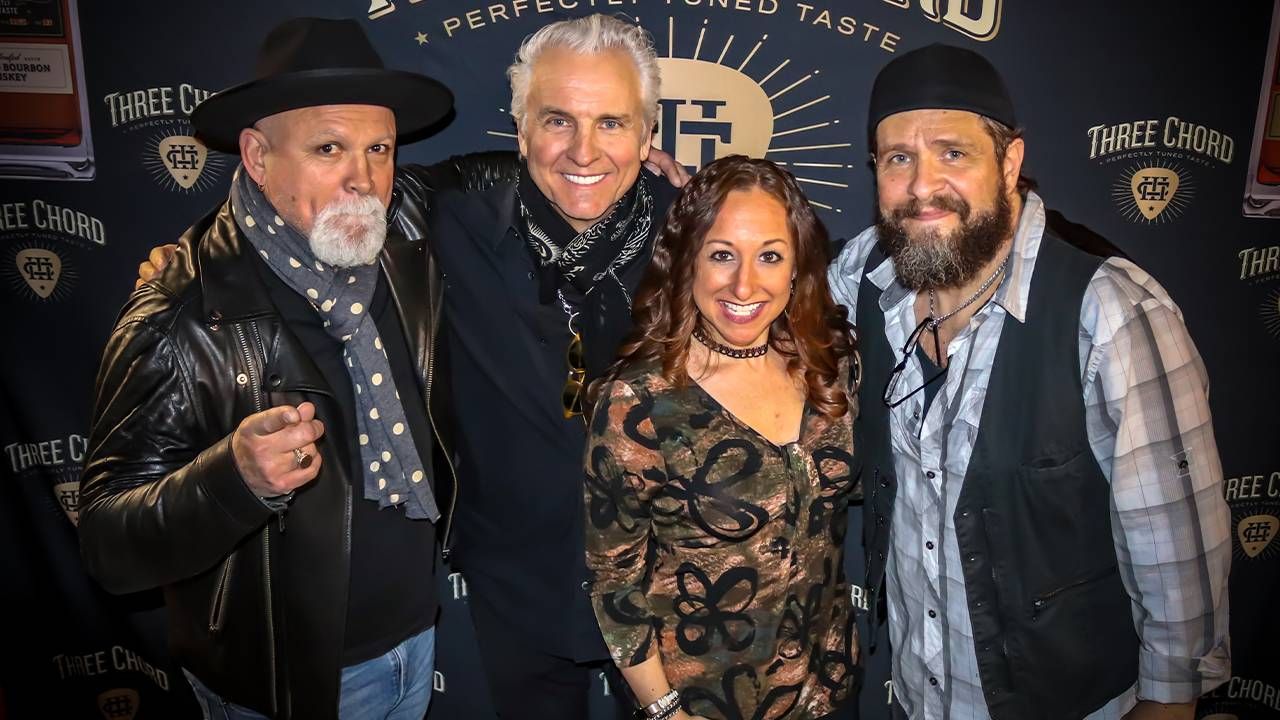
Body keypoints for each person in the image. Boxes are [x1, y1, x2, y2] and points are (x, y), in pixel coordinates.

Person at [78, 18, 501, 720]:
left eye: (379, 149)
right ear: (257, 155)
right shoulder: (181, 309)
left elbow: (508, 175)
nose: (362, 179)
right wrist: (231, 480)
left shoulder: (402, 235)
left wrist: (645, 171)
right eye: (328, 148)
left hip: (416, 644)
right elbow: (108, 545)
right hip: (283, 686)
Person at [827, 44, 1231, 720]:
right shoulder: (862, 276)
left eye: (953, 153)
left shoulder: (1111, 313)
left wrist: (1169, 703)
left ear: (1009, 162)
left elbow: (1176, 558)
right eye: (898, 158)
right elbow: (747, 287)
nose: (923, 185)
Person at [419, 15, 688, 720]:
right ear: (519, 129)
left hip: (670, 586)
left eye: (612, 123)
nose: (584, 150)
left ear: (648, 135)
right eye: (557, 120)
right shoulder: (454, 229)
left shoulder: (700, 242)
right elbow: (328, 193)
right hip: (519, 580)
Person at [584, 155, 860, 720]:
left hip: (828, 694)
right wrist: (665, 711)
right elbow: (615, 581)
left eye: (769, 256)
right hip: (701, 705)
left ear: (797, 267)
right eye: (722, 255)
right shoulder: (638, 403)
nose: (744, 283)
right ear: (687, 262)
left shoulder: (831, 366)